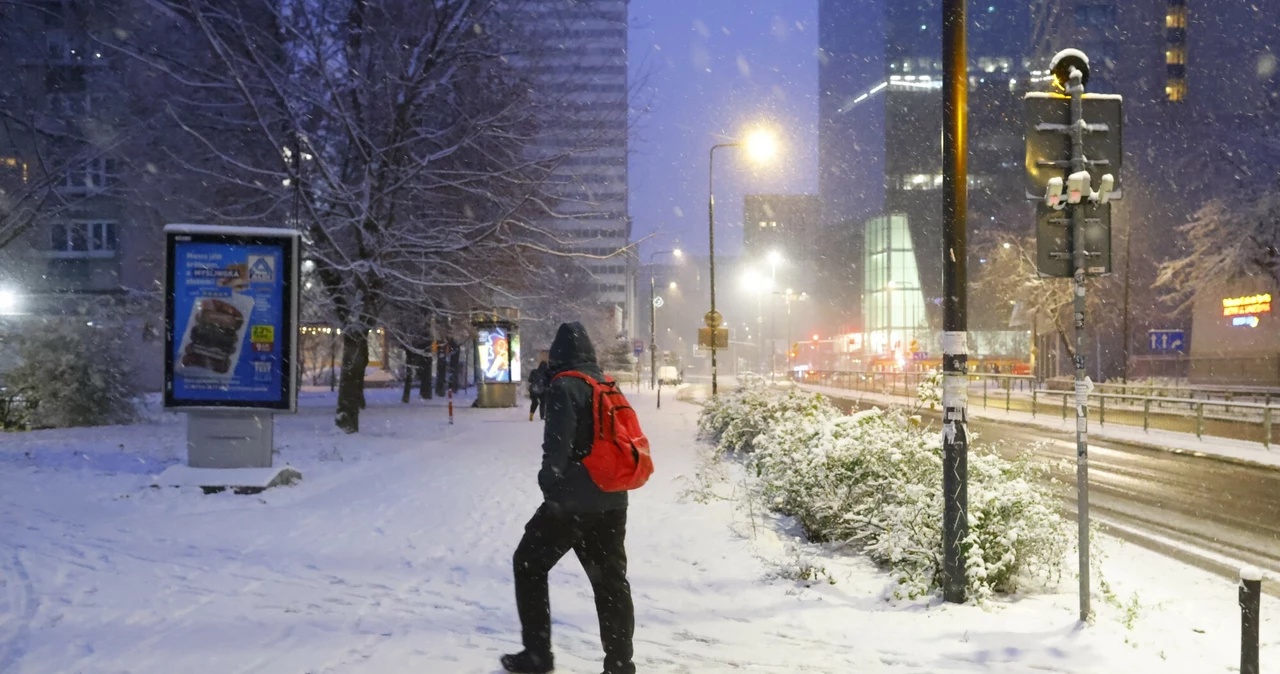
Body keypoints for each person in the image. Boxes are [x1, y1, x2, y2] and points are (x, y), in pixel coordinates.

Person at [502, 322, 635, 674]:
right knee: (610, 583)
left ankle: (537, 655)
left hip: (573, 503)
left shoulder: (565, 386)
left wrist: (550, 488)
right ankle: (620, 665)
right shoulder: (604, 383)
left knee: (528, 563)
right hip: (612, 499)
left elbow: (556, 449)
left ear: (558, 354)